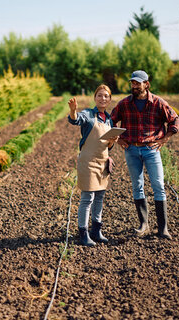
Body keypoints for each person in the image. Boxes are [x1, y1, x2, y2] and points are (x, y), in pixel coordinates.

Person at [110, 70, 179, 239]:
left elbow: (175, 120)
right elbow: (110, 122)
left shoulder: (158, 103)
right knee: (137, 186)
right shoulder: (124, 104)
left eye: (138, 83)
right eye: (132, 83)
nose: (134, 86)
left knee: (158, 187)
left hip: (151, 149)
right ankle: (144, 225)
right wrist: (118, 140)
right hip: (131, 150)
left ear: (146, 84)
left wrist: (164, 139)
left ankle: (163, 229)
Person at [68, 85, 118, 246]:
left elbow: (108, 146)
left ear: (109, 99)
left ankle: (96, 231)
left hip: (103, 161)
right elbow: (76, 120)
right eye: (100, 95)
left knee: (100, 197)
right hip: (88, 161)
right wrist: (73, 111)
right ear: (95, 97)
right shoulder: (88, 114)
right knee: (87, 197)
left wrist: (112, 142)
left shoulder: (109, 119)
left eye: (106, 96)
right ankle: (83, 233)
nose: (103, 98)